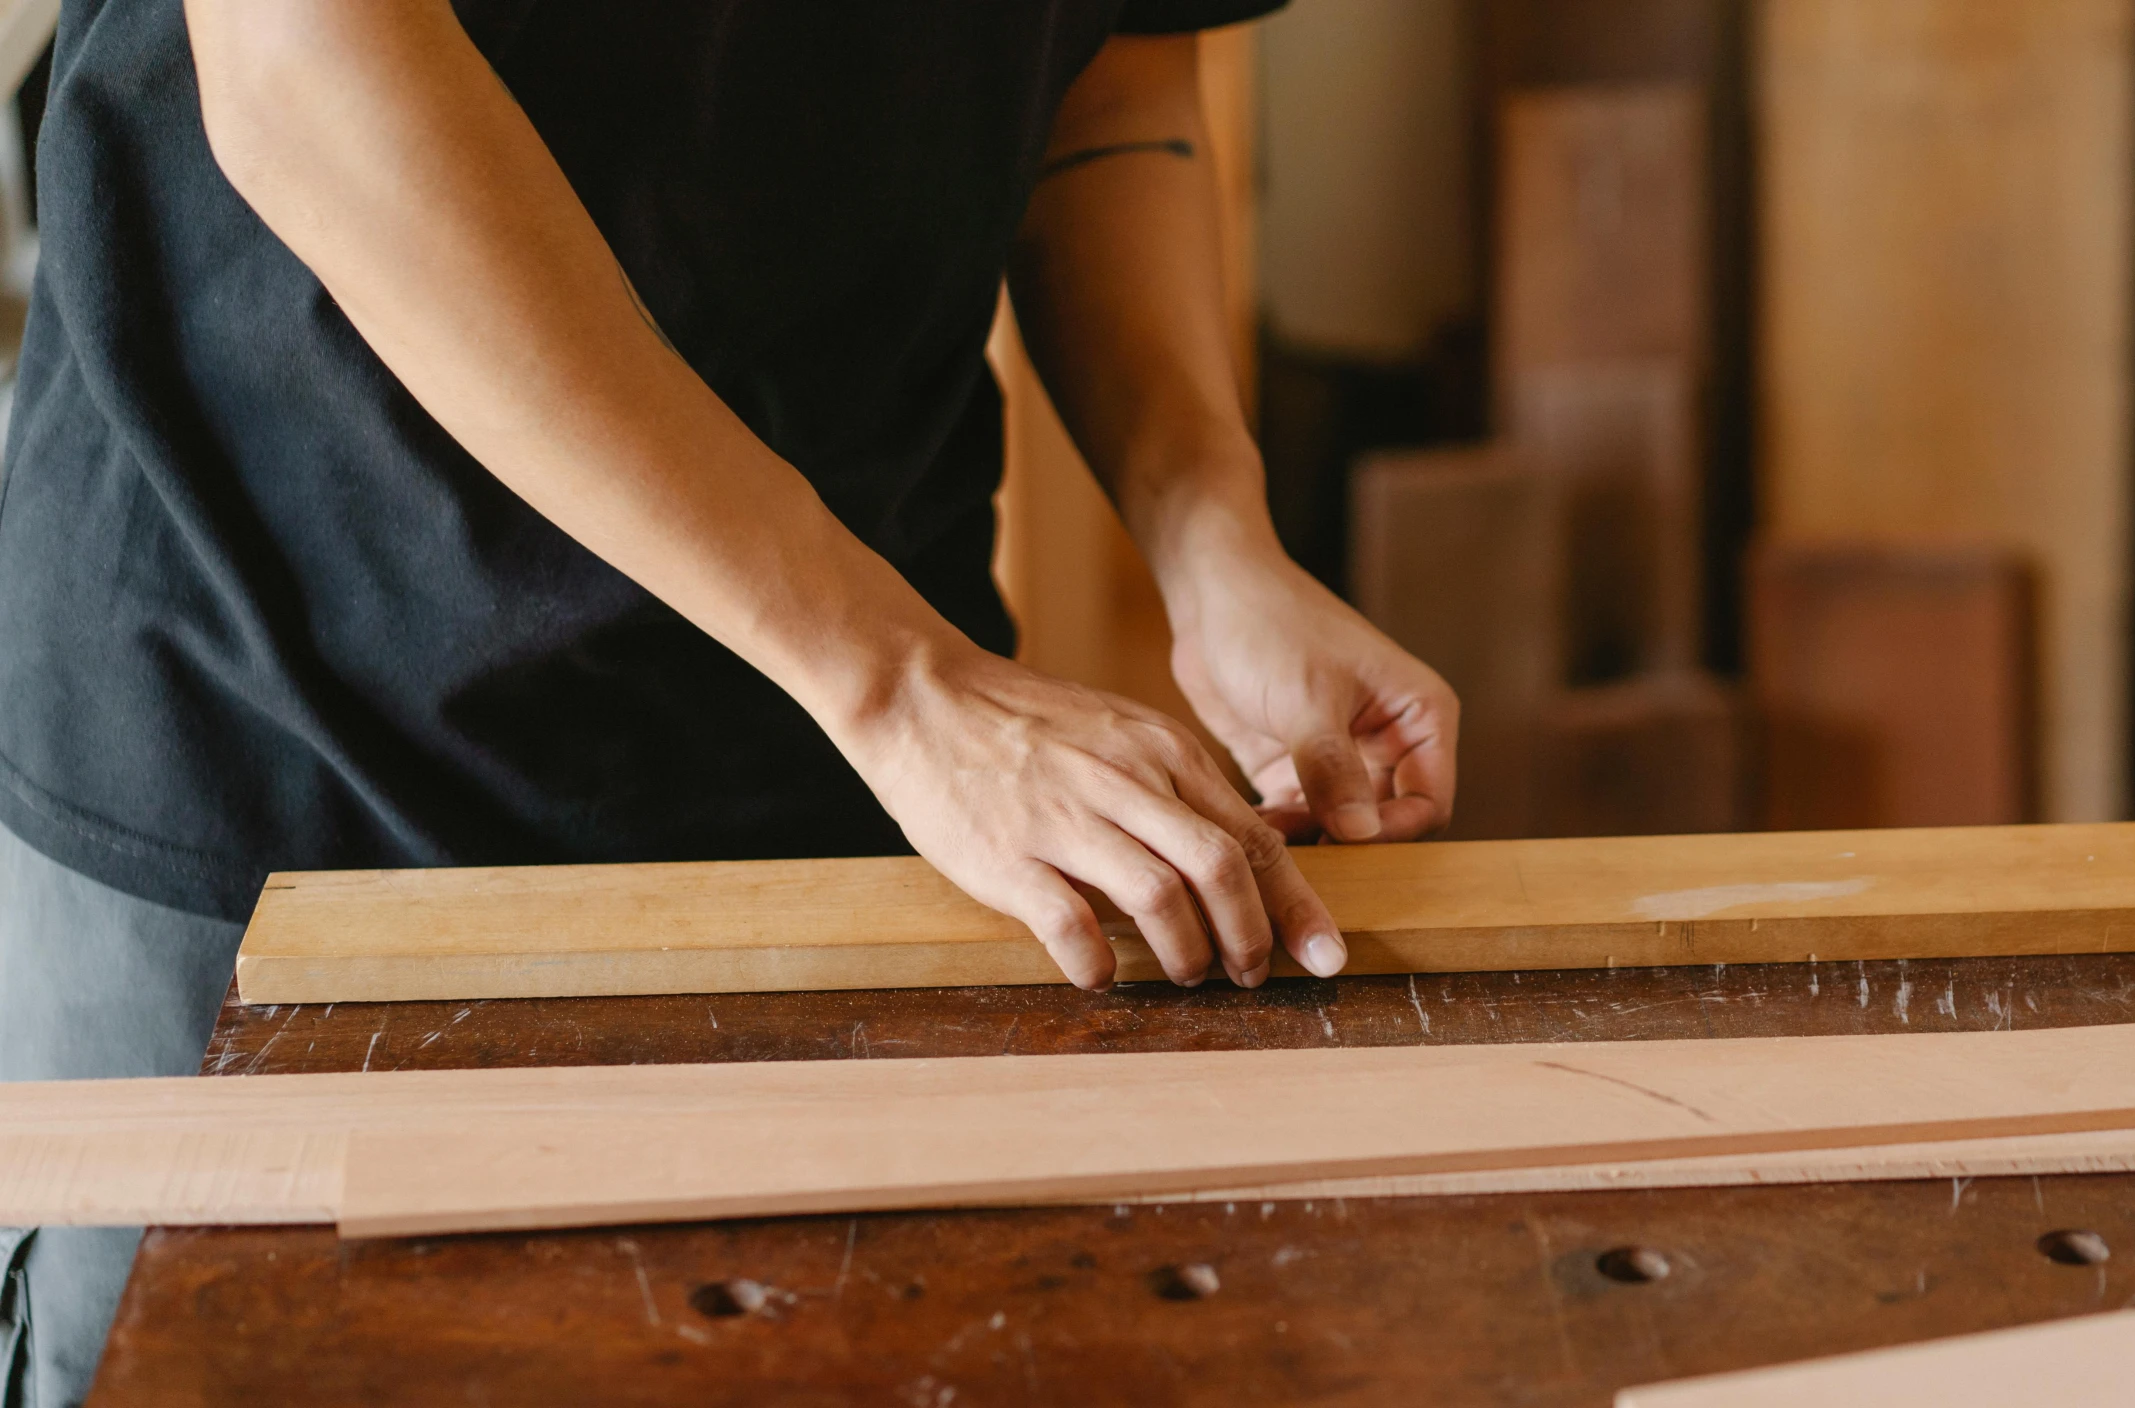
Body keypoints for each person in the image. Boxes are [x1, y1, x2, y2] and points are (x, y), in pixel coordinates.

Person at [0, 1, 1459, 1401]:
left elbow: (1111, 88)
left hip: (858, 757)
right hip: (272, 728)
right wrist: (892, 675)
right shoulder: (894, 683)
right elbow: (305, 66)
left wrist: (1211, 539)